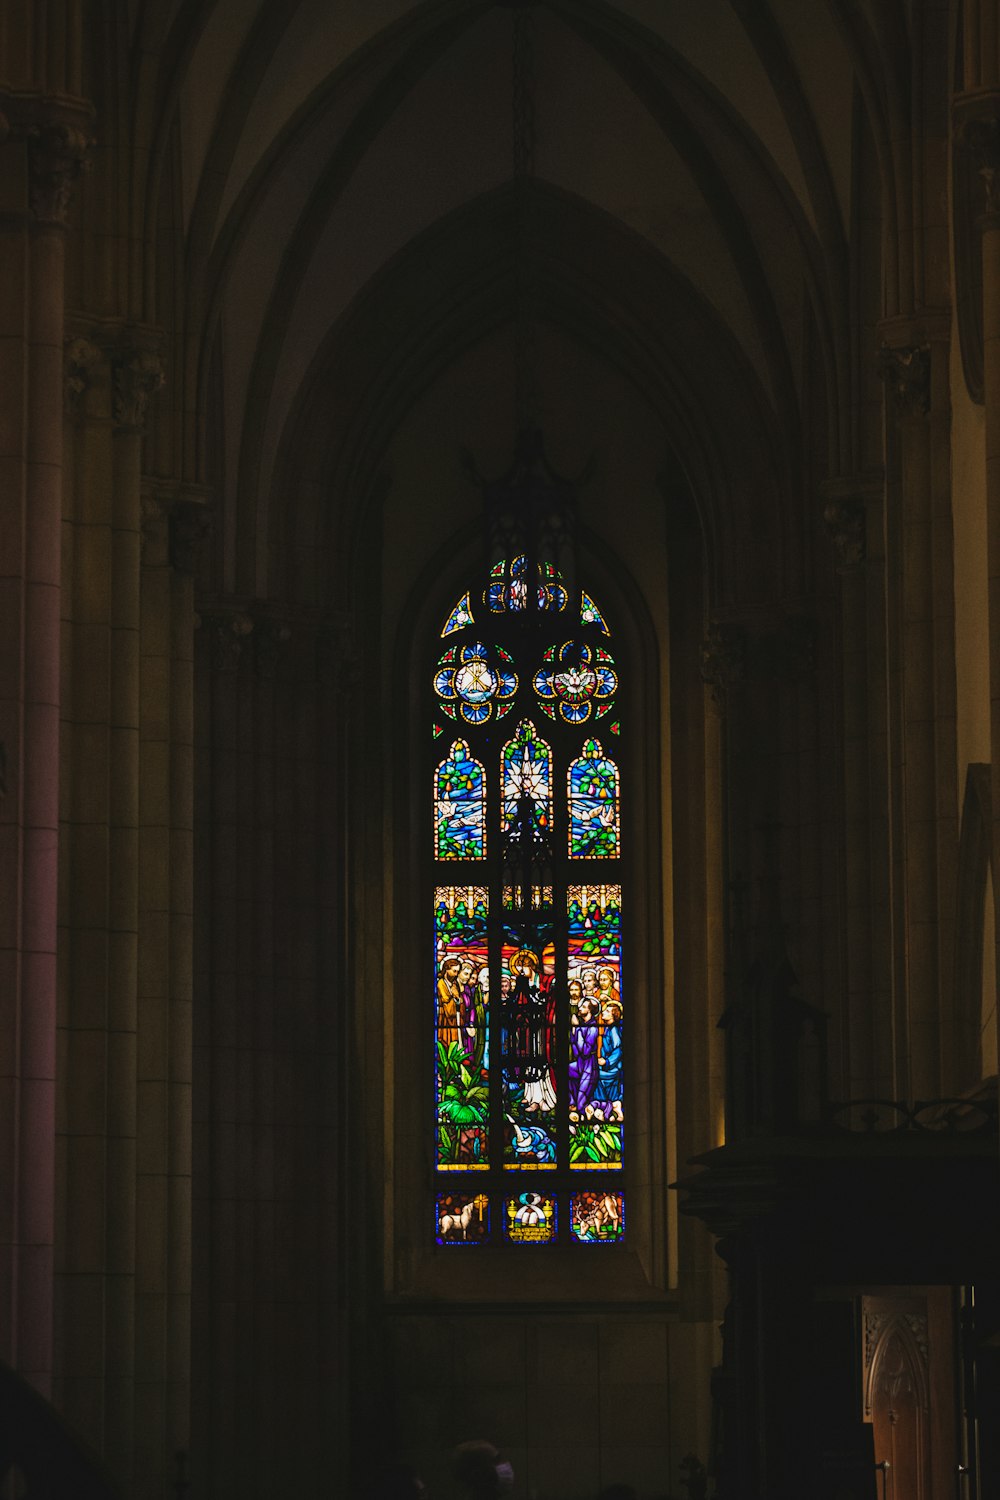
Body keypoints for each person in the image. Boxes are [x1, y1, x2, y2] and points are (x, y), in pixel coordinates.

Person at [568, 994, 599, 1117]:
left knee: (582, 1105)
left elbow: (585, 1051)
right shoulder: (583, 1025)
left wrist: (577, 1029)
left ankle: (603, 1106)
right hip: (580, 1063)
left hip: (590, 1067)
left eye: (583, 1007)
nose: (580, 1008)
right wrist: (575, 1031)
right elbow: (577, 1051)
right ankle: (571, 1102)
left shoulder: (593, 1028)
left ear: (590, 1010)